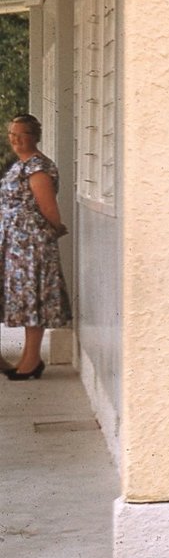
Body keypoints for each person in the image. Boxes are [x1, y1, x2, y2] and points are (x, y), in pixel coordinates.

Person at [1, 113, 71, 380]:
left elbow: (49, 210)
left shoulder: (37, 167)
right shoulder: (21, 165)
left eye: (22, 134)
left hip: (30, 245)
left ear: (35, 137)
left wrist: (55, 229)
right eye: (12, 134)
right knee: (22, 299)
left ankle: (31, 360)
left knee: (32, 299)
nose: (16, 139)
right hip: (15, 244)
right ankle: (25, 359)